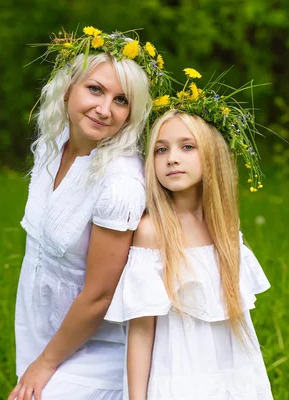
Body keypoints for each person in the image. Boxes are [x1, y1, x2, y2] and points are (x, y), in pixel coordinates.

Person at [9, 28, 170, 400]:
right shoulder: (52, 146)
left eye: (121, 100)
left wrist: (46, 364)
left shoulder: (120, 182)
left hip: (101, 343)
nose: (104, 109)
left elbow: (99, 295)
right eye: (95, 89)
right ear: (68, 88)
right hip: (43, 328)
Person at [105, 70, 274, 399]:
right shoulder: (152, 232)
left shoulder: (224, 228)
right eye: (161, 150)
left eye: (187, 147)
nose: (173, 159)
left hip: (232, 373)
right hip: (177, 375)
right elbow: (141, 331)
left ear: (211, 156)